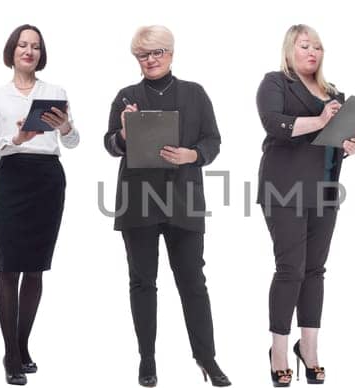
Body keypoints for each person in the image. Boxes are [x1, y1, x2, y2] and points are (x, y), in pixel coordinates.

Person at [102, 25, 230, 388]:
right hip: (138, 200)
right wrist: (124, 134)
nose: (151, 60)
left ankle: (207, 357)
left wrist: (193, 154)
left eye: (157, 52)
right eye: (143, 54)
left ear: (171, 54)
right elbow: (110, 145)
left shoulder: (194, 93)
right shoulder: (126, 96)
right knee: (142, 282)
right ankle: (147, 360)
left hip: (183, 197)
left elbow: (213, 140)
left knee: (193, 281)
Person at [255, 23, 355, 388]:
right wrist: (320, 120)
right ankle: (279, 350)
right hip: (283, 188)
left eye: (318, 47)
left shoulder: (334, 93)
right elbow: (274, 125)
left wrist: (347, 145)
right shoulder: (275, 83)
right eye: (304, 46)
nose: (312, 53)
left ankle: (310, 348)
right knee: (290, 269)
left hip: (325, 190)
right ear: (290, 50)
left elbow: (331, 145)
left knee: (315, 270)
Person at [0, 23, 80, 386]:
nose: (29, 51)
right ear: (12, 50)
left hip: (48, 179)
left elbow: (74, 142)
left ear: (41, 53)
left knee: (35, 268)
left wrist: (65, 127)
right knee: (9, 267)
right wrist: (15, 138)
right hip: (11, 178)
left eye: (35, 46)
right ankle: (10, 353)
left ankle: (23, 346)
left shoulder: (56, 91)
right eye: (23, 45)